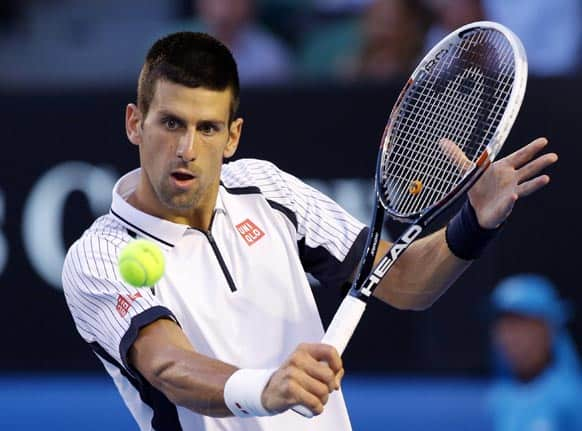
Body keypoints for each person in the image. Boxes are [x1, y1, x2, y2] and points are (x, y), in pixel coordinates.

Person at [61, 31, 557, 430]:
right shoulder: (99, 256)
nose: (187, 148)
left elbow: (403, 280)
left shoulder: (266, 188)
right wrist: (266, 388)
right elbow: (167, 365)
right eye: (170, 123)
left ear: (232, 136)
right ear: (134, 123)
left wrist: (472, 222)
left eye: (207, 128)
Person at [488, 274, 582, 430]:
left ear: (549, 331)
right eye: (505, 326)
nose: (511, 338)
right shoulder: (498, 397)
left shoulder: (572, 397)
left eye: (522, 326)